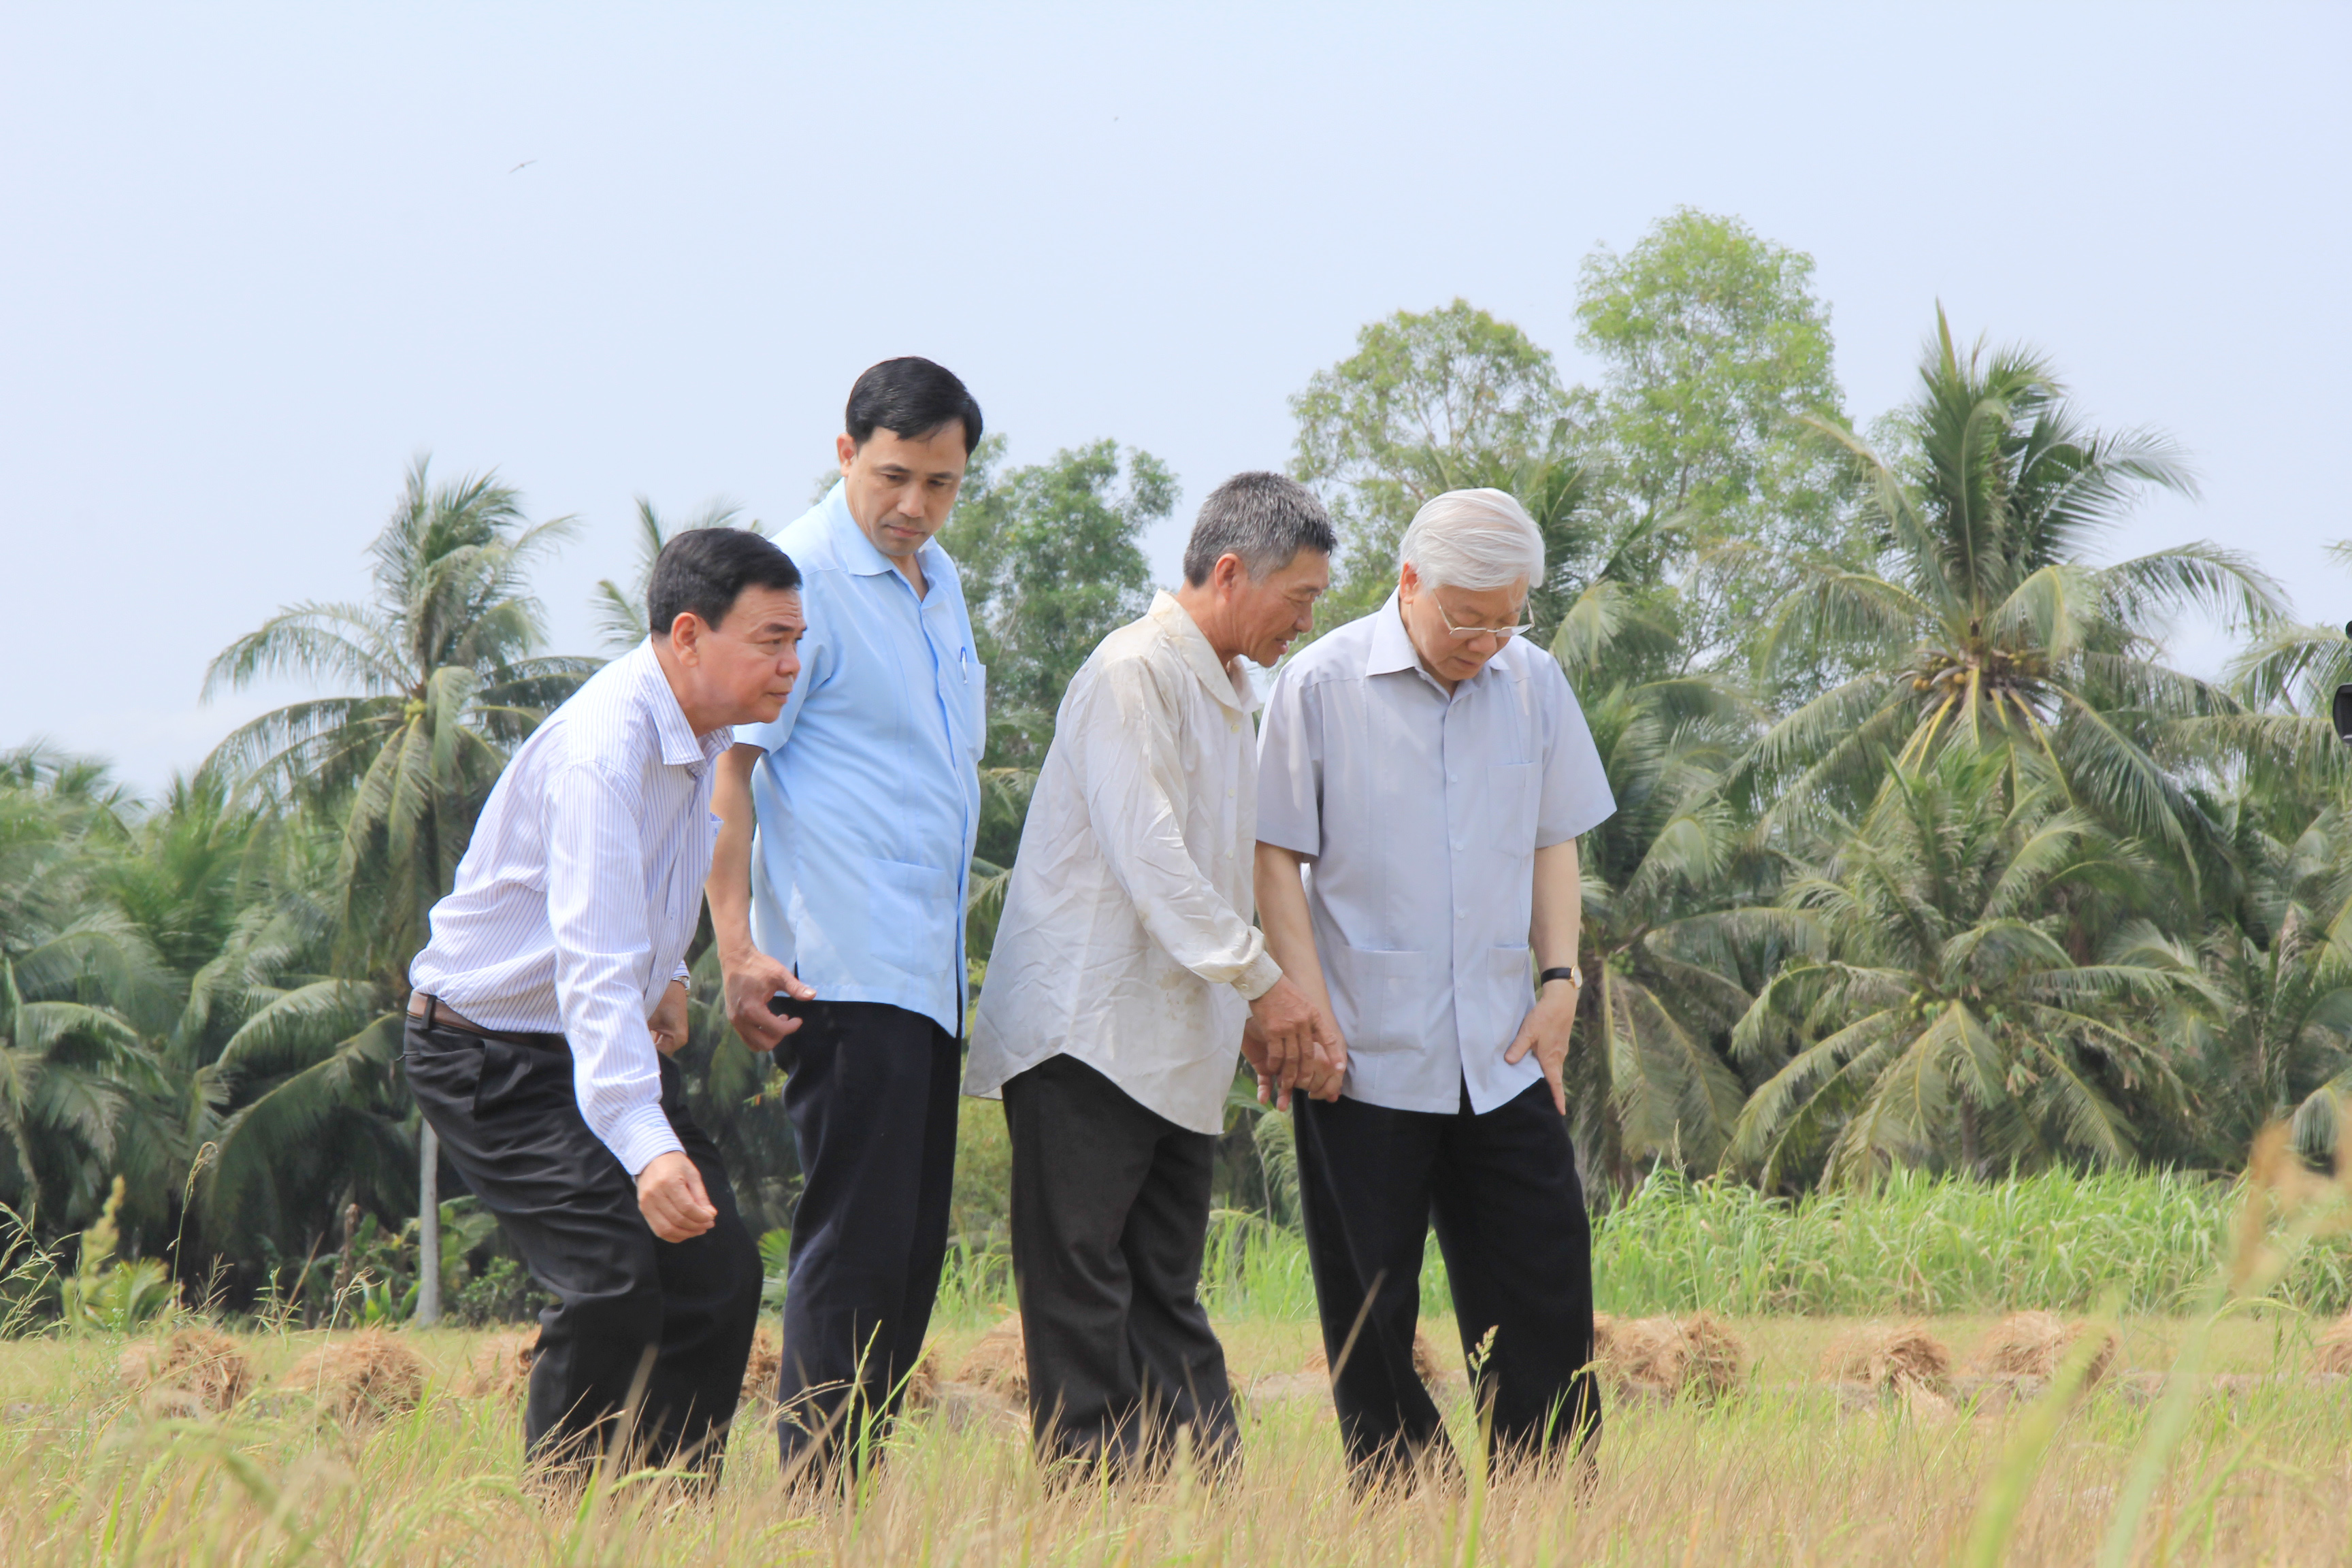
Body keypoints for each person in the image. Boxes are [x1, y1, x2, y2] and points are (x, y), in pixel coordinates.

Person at [404, 527, 806, 1484]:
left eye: (798, 641)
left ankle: (664, 1518)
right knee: (612, 1283)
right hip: (489, 1055)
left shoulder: (699, 732)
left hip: (580, 1045)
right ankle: (569, 1521)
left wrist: (665, 975)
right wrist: (646, 1137)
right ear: (688, 635)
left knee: (717, 1276)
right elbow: (588, 961)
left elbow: (638, 896)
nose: (791, 665)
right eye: (770, 641)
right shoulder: (602, 749)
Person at [965, 471, 1339, 1476]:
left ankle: (1211, 1495)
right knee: (1082, 1283)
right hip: (1088, 1031)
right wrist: (1266, 986)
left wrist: (1250, 1007)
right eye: (1299, 598)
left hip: (1178, 1040)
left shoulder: (1229, 695)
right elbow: (1155, 861)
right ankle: (1091, 1502)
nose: (1305, 622)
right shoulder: (1133, 672)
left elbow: (1220, 871)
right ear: (1229, 571)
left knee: (1166, 1283)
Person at [1253, 488, 1616, 1486]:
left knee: (1544, 1285)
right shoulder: (1321, 685)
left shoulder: (1535, 683)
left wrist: (1559, 981)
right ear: (1410, 582)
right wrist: (1305, 1003)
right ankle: (1408, 1502)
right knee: (1371, 1306)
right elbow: (1274, 852)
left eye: (1509, 618)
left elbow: (1556, 839)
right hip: (1362, 1049)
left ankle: (1550, 1504)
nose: (1489, 640)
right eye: (1470, 617)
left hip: (1501, 1046)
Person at [704, 357, 987, 1479]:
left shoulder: (942, 582)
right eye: (894, 476)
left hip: (927, 971)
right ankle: (819, 1492)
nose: (914, 506)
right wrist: (734, 948)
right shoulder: (800, 582)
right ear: (844, 454)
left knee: (912, 1253)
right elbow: (731, 772)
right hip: (840, 965)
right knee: (853, 1242)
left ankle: (851, 1482)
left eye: (942, 483)